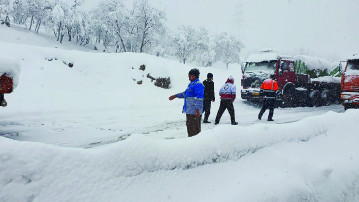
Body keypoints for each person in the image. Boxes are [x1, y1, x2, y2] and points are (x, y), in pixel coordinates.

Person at [169, 68, 205, 137]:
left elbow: (200, 98)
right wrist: (175, 96)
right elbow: (184, 94)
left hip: (194, 112)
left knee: (194, 130)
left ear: (195, 76)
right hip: (190, 111)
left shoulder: (198, 84)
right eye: (188, 75)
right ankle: (191, 143)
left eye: (190, 75)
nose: (189, 77)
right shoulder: (191, 84)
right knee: (190, 128)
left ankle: (195, 144)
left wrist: (197, 109)